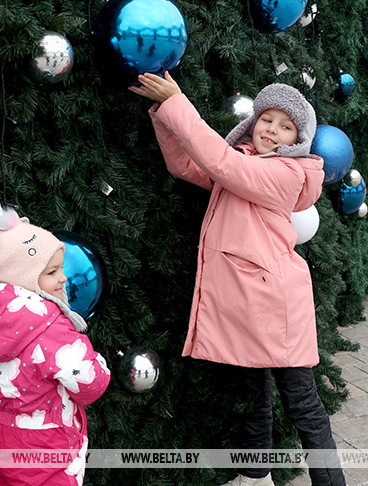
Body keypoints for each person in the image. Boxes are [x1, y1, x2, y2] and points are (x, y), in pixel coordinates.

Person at [130, 73, 346, 486]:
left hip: (277, 306)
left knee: (302, 402)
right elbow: (187, 165)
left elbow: (220, 162)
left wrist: (178, 101)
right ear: (253, 122)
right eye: (267, 119)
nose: (273, 131)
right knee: (254, 396)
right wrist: (163, 113)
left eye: (287, 127)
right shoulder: (244, 163)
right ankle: (254, 475)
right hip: (249, 301)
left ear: (297, 140)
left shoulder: (288, 173)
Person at [0, 206, 111, 486]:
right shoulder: (48, 327)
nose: (63, 278)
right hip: (47, 441)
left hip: (2, 433)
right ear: (24, 278)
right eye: (52, 272)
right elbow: (90, 381)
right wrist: (99, 363)